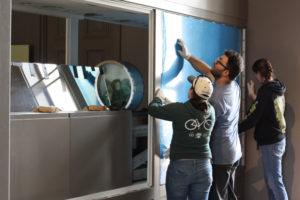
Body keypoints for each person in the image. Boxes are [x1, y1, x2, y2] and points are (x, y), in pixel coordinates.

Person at [177, 39, 244, 200]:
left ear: (226, 72)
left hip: (221, 156)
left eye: (220, 62)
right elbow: (209, 71)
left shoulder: (217, 98)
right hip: (233, 152)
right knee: (228, 195)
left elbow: (201, 125)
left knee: (217, 196)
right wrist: (189, 56)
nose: (215, 61)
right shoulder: (232, 85)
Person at [148, 76, 215, 200]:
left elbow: (153, 110)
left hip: (181, 167)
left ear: (191, 91)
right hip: (205, 168)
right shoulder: (212, 111)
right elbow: (194, 112)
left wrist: (158, 98)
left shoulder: (179, 109)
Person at [239, 58, 288, 200]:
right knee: (272, 182)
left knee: (275, 183)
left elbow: (255, 117)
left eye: (256, 74)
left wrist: (236, 129)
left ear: (260, 73)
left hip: (272, 142)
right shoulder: (277, 87)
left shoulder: (266, 91)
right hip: (277, 139)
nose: (255, 77)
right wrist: (253, 96)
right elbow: (268, 109)